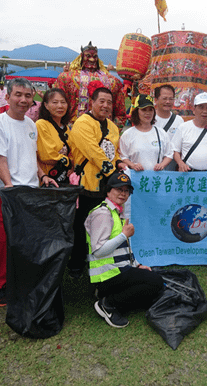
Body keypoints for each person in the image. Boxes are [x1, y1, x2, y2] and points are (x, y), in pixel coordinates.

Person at [0, 78, 57, 306]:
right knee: (3, 241)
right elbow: (0, 159)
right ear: (7, 97)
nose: (23, 100)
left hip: (30, 192)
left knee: (24, 241)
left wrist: (42, 175)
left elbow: (31, 156)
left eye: (27, 96)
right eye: (18, 95)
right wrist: (9, 186)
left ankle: (16, 280)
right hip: (8, 195)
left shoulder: (30, 124)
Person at [86, 172, 163, 328]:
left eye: (126, 191)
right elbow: (98, 251)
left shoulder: (116, 213)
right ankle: (108, 304)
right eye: (118, 189)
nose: (123, 193)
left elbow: (123, 250)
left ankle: (107, 295)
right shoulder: (102, 213)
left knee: (151, 282)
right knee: (155, 282)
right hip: (107, 275)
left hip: (117, 271)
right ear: (108, 191)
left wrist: (137, 265)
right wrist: (123, 235)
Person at [69, 86, 126, 278]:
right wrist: (113, 175)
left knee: (104, 226)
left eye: (109, 102)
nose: (105, 105)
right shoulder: (82, 123)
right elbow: (94, 152)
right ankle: (77, 264)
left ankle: (100, 263)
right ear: (91, 103)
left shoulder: (112, 126)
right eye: (101, 101)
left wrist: (118, 163)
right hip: (87, 185)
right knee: (80, 226)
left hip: (106, 187)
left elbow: (113, 152)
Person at [55, 42, 127, 127]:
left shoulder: (114, 81)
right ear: (82, 56)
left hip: (104, 132)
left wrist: (112, 133)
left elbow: (120, 114)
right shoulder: (66, 78)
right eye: (88, 56)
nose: (92, 59)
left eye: (94, 56)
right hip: (74, 131)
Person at [172, 92, 207, 174]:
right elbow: (175, 151)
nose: (205, 111)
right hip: (189, 173)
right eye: (201, 107)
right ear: (194, 109)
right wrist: (180, 163)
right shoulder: (183, 127)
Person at [119, 94, 173, 172]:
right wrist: (132, 165)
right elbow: (123, 157)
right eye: (144, 110)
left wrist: (162, 165)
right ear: (137, 111)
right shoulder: (128, 134)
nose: (148, 113)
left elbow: (169, 154)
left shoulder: (161, 133)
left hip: (157, 178)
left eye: (150, 109)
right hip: (135, 178)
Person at [36, 88, 72, 185]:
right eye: (55, 102)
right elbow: (47, 155)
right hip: (48, 178)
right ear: (46, 105)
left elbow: (73, 150)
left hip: (64, 178)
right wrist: (70, 162)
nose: (60, 106)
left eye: (63, 102)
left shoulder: (66, 128)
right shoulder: (41, 124)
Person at [154, 84, 185, 171]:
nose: (168, 102)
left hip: (171, 164)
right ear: (156, 100)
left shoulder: (179, 121)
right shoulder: (149, 119)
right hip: (152, 162)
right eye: (164, 98)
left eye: (171, 99)